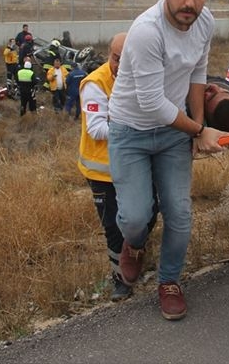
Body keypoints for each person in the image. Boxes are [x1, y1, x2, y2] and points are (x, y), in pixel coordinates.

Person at [107, 0, 229, 321]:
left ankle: (169, 281)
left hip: (174, 131)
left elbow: (198, 72)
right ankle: (136, 243)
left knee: (179, 213)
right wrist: (200, 129)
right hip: (131, 130)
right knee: (134, 217)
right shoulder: (146, 32)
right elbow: (152, 103)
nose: (190, 2)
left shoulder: (204, 22)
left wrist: (196, 125)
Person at [77, 32, 153, 301]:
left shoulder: (142, 78)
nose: (119, 65)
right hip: (102, 171)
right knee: (112, 225)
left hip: (136, 165)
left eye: (126, 59)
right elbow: (97, 128)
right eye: (115, 58)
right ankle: (120, 279)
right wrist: (135, 124)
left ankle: (135, 254)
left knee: (143, 215)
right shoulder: (95, 83)